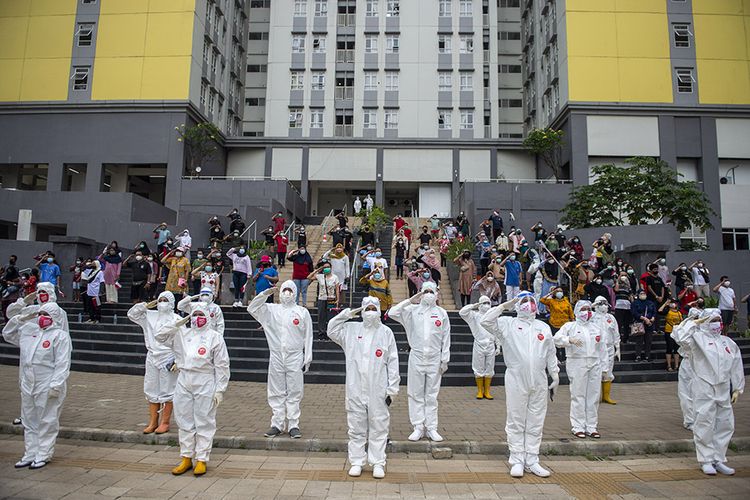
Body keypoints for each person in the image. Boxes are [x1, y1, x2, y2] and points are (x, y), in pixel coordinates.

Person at [480, 292, 559, 478]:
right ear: (516, 305)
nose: (529, 304)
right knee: (516, 419)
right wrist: (503, 306)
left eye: (531, 300)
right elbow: (485, 321)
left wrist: (554, 374)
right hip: (516, 378)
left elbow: (550, 353)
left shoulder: (543, 327)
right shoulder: (508, 324)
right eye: (524, 301)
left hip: (539, 380)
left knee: (536, 420)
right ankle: (517, 459)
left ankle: (532, 459)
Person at [327, 297, 400, 479]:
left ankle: (377, 462)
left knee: (379, 425)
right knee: (356, 426)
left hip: (378, 389)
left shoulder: (386, 332)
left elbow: (393, 362)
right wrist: (346, 314)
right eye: (366, 308)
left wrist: (393, 388)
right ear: (361, 311)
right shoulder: (351, 330)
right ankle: (357, 461)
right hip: (355, 387)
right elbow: (331, 330)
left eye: (373, 308)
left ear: (378, 311)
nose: (369, 312)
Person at [156, 303, 230, 476]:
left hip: (205, 380)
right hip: (184, 378)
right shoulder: (183, 333)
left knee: (204, 419)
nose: (197, 318)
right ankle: (186, 457)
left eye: (200, 314)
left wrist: (220, 389)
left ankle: (202, 458)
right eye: (194, 314)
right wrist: (176, 324)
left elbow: (222, 365)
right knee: (184, 419)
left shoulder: (215, 337)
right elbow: (159, 337)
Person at [672, 309, 744, 476]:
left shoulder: (727, 342)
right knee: (704, 422)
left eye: (718, 320)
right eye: (712, 320)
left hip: (723, 387)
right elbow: (679, 336)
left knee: (725, 423)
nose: (716, 323)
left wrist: (738, 388)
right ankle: (705, 459)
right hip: (704, 386)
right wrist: (694, 321)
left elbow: (736, 364)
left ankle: (719, 458)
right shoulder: (697, 340)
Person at [3, 302, 71, 469]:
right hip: (28, 383)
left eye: (46, 315)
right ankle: (30, 453)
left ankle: (44, 453)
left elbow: (62, 363)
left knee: (47, 419)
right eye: (40, 314)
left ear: (55, 317)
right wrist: (21, 318)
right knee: (29, 420)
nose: (42, 318)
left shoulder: (60, 336)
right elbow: (8, 334)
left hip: (46, 383)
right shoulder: (29, 331)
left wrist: (56, 384)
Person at [247, 281, 313, 438]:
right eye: (285, 290)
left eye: (290, 290)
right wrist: (264, 295)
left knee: (294, 390)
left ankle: (293, 424)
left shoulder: (302, 312)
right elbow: (252, 308)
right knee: (276, 390)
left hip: (295, 355)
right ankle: (277, 423)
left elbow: (308, 335)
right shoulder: (271, 310)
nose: (287, 293)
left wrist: (308, 356)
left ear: (295, 293)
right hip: (276, 354)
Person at [389, 282, 450, 443]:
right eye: (426, 291)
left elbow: (446, 337)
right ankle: (418, 426)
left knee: (431, 395)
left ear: (437, 293)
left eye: (432, 291)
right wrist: (410, 300)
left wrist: (445, 358)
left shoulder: (442, 313)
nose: (429, 294)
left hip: (435, 358)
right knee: (415, 393)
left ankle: (431, 427)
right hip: (416, 356)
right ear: (421, 293)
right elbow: (392, 312)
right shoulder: (412, 311)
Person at [127, 292, 181, 435]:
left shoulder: (177, 319)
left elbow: (182, 341)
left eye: (165, 300)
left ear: (172, 303)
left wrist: (178, 359)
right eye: (160, 300)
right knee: (151, 388)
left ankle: (165, 422)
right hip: (152, 356)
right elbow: (132, 315)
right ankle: (153, 421)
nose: (162, 303)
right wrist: (144, 306)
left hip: (168, 357)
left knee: (168, 389)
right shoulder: (150, 316)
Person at [554, 300, 608, 439]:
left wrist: (605, 368)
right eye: (583, 309)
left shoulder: (596, 327)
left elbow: (603, 348)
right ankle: (577, 426)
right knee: (578, 395)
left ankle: (591, 426)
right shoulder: (570, 326)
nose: (587, 312)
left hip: (594, 362)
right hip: (577, 362)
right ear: (577, 311)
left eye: (589, 309)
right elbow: (556, 339)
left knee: (593, 396)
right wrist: (569, 340)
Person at [459, 296, 497, 400]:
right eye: (484, 303)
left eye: (488, 303)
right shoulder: (474, 316)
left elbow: (497, 331)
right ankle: (480, 390)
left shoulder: (493, 316)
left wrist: (498, 345)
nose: (486, 305)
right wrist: (473, 306)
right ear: (480, 304)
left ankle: (487, 391)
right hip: (479, 344)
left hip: (490, 344)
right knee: (478, 367)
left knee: (490, 367)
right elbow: (462, 313)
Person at [674, 307, 701, 431]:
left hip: (701, 363)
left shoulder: (704, 330)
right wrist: (690, 323)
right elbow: (681, 338)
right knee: (686, 393)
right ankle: (690, 420)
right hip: (688, 362)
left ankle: (701, 418)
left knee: (700, 392)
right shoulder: (683, 328)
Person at [592, 296, 620, 405]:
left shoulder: (611, 318)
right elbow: (580, 313)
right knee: (595, 371)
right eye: (601, 304)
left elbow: (616, 333)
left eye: (605, 303)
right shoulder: (592, 317)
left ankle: (606, 396)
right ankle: (594, 396)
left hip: (609, 347)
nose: (603, 306)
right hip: (595, 348)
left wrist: (618, 348)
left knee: (608, 371)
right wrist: (593, 305)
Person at [540, 287, 574, 363]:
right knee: (556, 342)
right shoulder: (551, 301)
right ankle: (557, 358)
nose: (559, 292)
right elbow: (541, 300)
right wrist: (550, 293)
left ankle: (565, 359)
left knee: (565, 342)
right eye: (557, 291)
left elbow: (570, 312)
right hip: (554, 323)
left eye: (561, 291)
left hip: (565, 324)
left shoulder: (566, 300)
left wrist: (572, 320)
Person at [309, 261, 340, 339]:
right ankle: (321, 333)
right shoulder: (320, 276)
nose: (326, 268)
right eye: (325, 267)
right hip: (321, 298)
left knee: (330, 317)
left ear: (331, 268)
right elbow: (309, 277)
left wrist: (337, 299)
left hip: (331, 298)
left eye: (328, 267)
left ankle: (330, 333)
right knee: (321, 316)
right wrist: (318, 269)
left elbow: (337, 289)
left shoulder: (335, 277)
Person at [630, 290, 656, 362]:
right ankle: (638, 355)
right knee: (639, 340)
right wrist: (644, 318)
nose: (643, 295)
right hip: (639, 323)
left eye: (644, 293)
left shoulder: (650, 303)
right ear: (638, 295)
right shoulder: (635, 303)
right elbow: (634, 313)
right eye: (641, 294)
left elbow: (654, 312)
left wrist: (652, 318)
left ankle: (647, 356)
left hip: (649, 324)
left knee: (649, 340)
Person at [658, 299, 683, 372]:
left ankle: (676, 365)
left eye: (674, 303)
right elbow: (659, 311)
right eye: (672, 303)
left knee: (676, 349)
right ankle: (669, 365)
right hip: (669, 331)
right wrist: (666, 303)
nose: (673, 304)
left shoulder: (679, 312)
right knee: (669, 347)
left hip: (677, 332)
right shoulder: (667, 311)